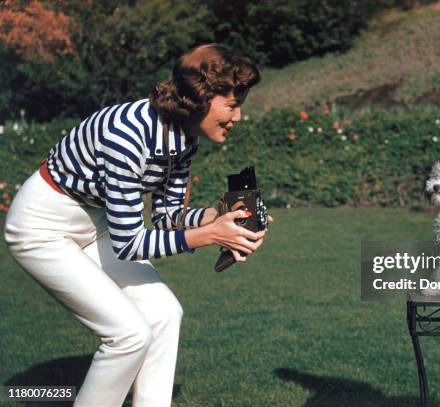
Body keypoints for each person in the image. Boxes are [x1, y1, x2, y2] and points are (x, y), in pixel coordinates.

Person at [4, 43, 271, 406]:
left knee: (164, 314)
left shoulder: (183, 137)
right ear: (201, 99)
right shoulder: (127, 135)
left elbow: (167, 217)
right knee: (127, 334)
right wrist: (208, 235)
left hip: (94, 221)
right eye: (233, 105)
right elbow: (130, 243)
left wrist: (220, 216)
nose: (238, 117)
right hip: (40, 227)